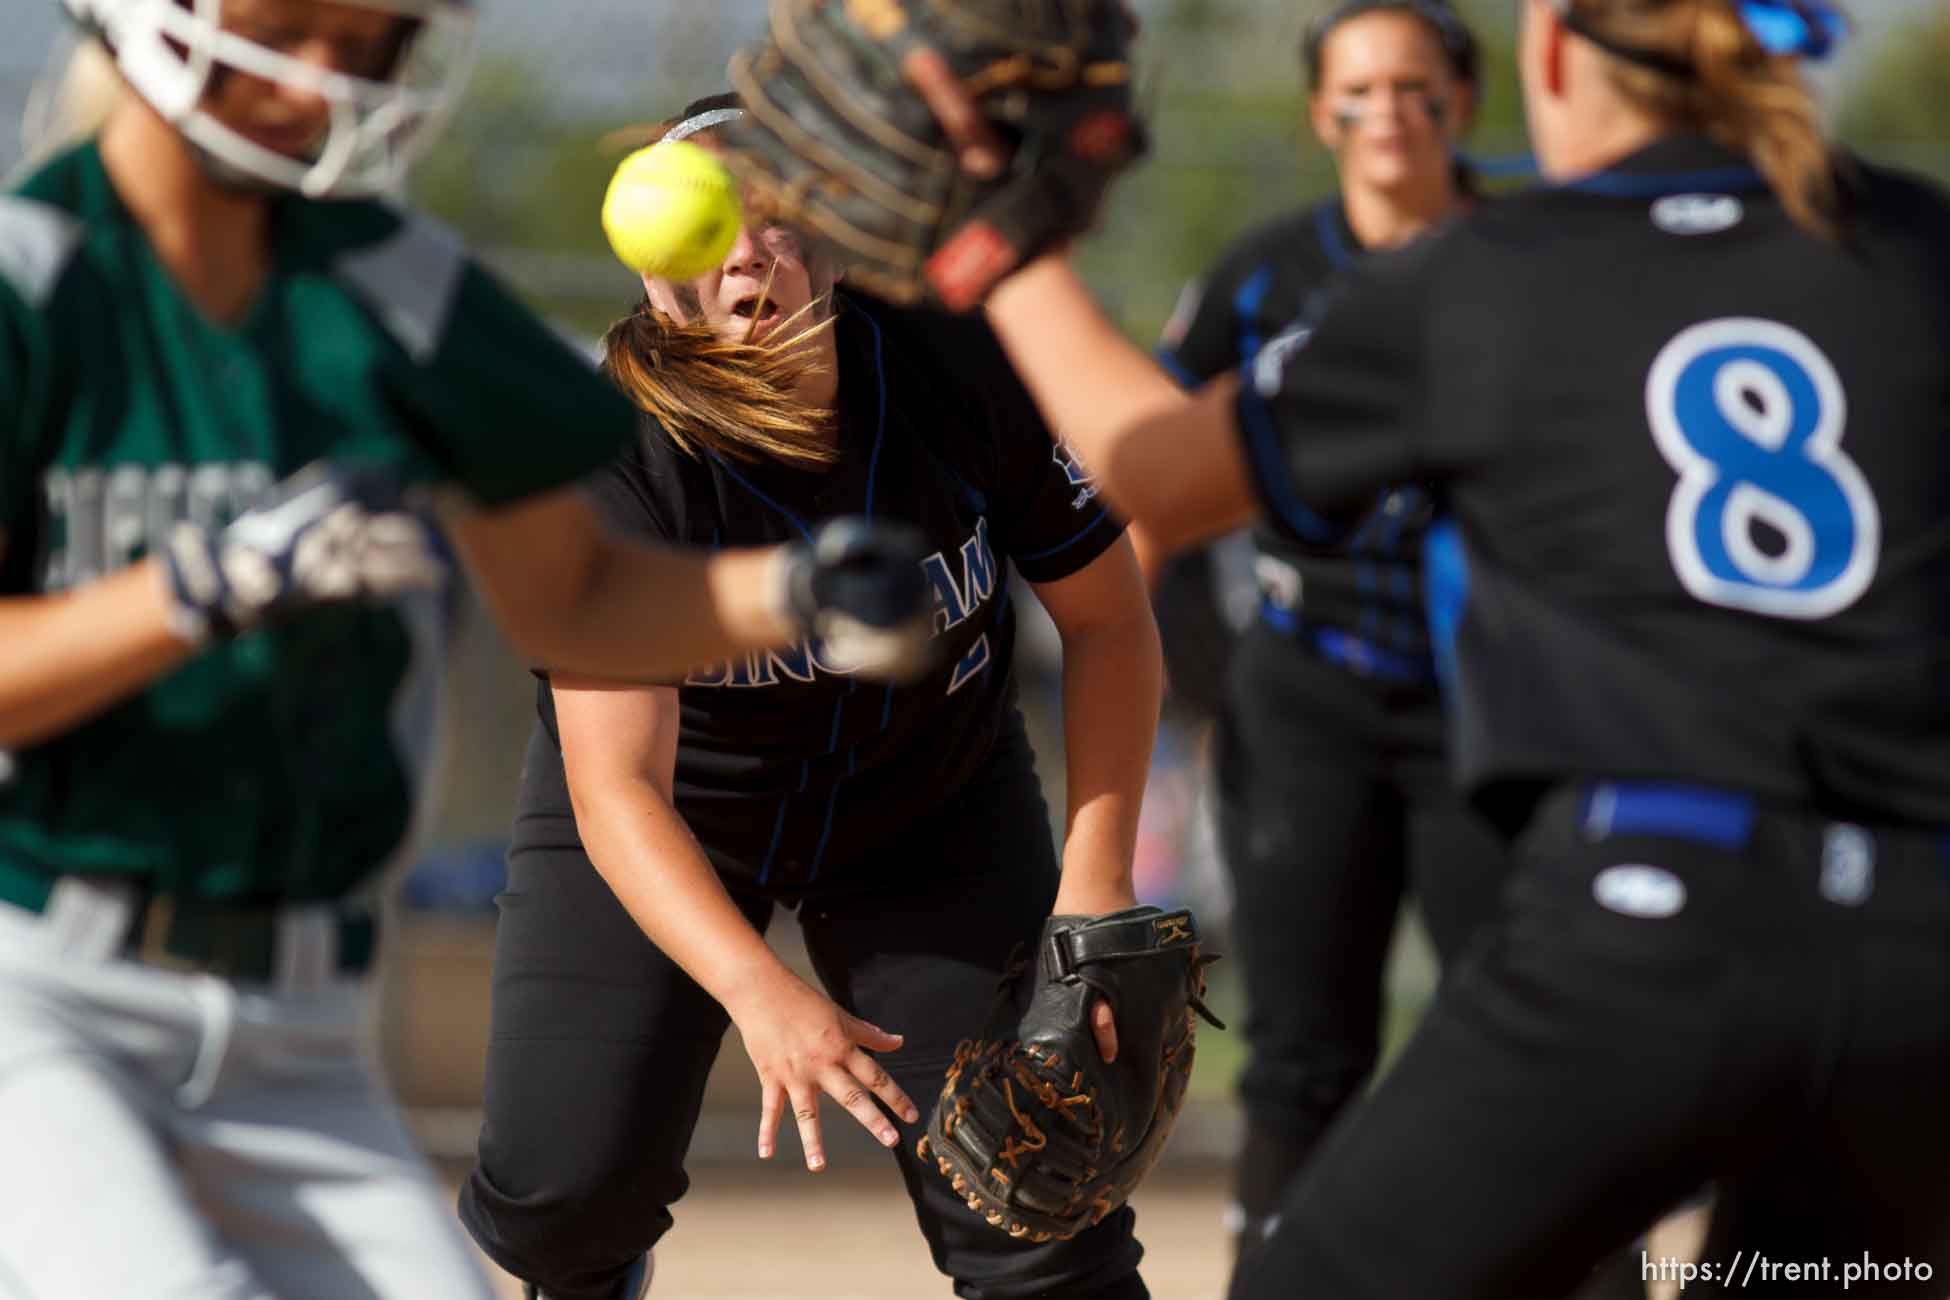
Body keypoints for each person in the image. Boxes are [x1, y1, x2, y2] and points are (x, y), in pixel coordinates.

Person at [880, 0, 1950, 1293]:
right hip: (1918, 955)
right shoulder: (1916, 241)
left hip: (1657, 931)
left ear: (1546, 52)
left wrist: (1000, 239)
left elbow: (1152, 473)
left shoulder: (1490, 271)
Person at [0, 5, 931, 1298]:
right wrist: (201, 589)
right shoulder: (29, 279)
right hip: (45, 996)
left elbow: (579, 593)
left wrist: (798, 587)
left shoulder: (390, 280)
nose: (324, 77)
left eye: (366, 42)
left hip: (299, 1032)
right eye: (284, 26)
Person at [458, 97, 1165, 1300]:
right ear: (650, 268)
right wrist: (757, 990)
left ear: (834, 229)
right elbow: (614, 786)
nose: (744, 255)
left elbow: (1108, 623)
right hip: (679, 815)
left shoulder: (956, 361)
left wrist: (1092, 893)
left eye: (776, 217)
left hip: (928, 807)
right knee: (563, 1197)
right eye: (705, 229)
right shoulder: (607, 448)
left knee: (1036, 1202)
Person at [1136, 0, 1512, 1271]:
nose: (1389, 112)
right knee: (1301, 1050)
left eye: (1418, 85)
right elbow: (1147, 483)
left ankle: (1558, 1258)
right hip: (1312, 691)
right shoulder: (1263, 276)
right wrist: (1173, 683)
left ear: (1465, 101)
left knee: (1521, 1030)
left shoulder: (1532, 254)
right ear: (1318, 112)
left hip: (1498, 701)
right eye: (1358, 90)